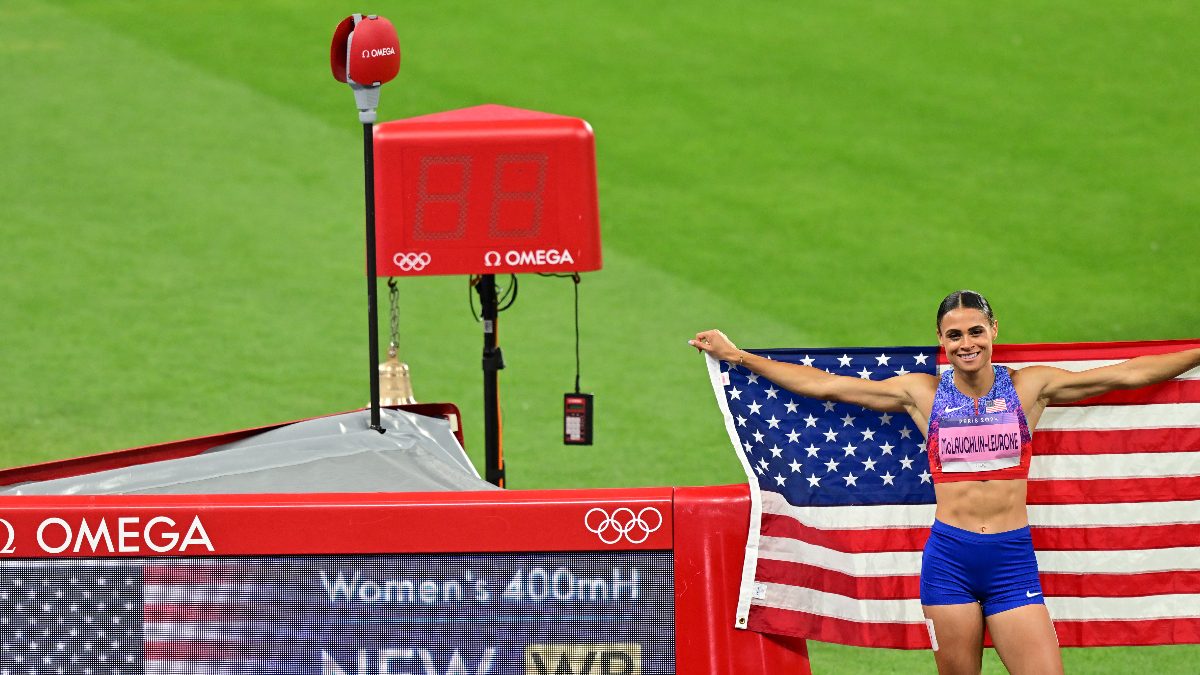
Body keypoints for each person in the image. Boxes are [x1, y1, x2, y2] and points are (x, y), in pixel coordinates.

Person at [689, 290, 1200, 675]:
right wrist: (740, 357)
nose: (966, 343)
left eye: (975, 332)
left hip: (1010, 559)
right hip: (949, 561)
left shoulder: (1030, 387)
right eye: (954, 336)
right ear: (941, 341)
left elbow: (1128, 374)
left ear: (994, 330)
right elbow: (827, 386)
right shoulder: (921, 394)